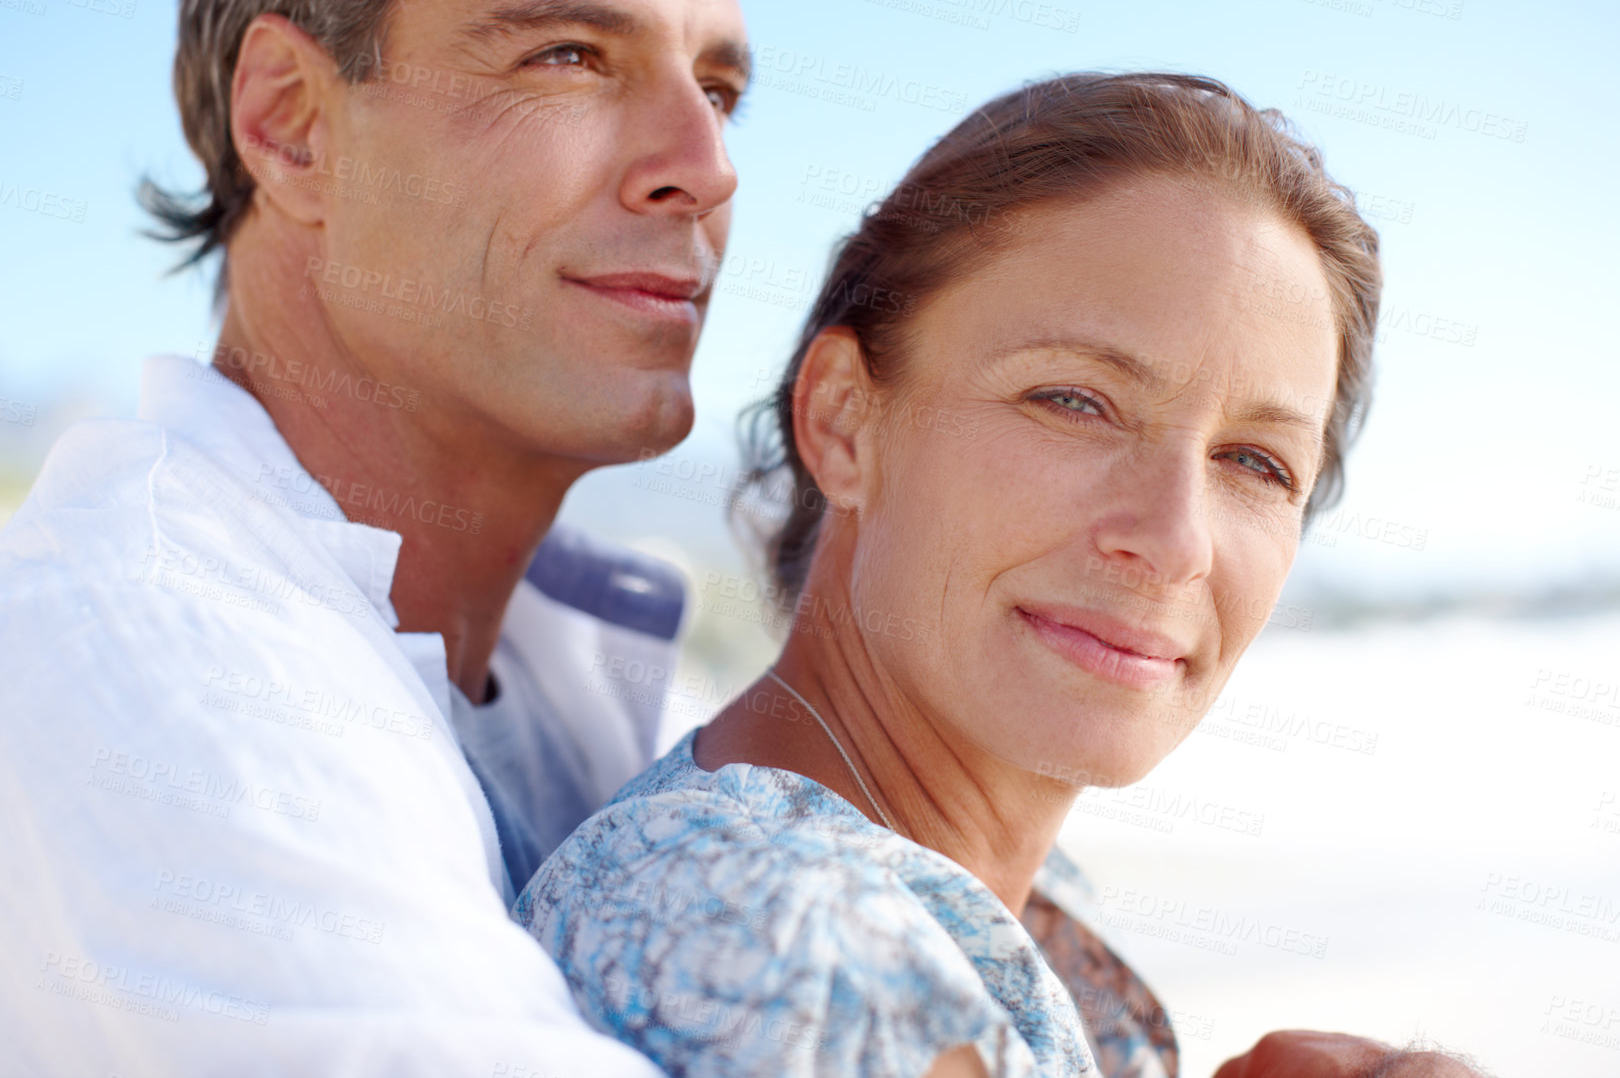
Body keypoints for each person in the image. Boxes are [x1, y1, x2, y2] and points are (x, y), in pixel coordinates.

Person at [0, 0, 745, 1073]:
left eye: (721, 89)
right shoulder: (141, 658)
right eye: (569, 56)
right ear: (290, 122)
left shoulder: (595, 675)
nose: (707, 163)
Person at [515, 74, 1493, 1078]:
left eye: (1255, 461)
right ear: (846, 420)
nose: (1173, 539)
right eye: (1074, 399)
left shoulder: (1001, 898)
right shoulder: (780, 925)